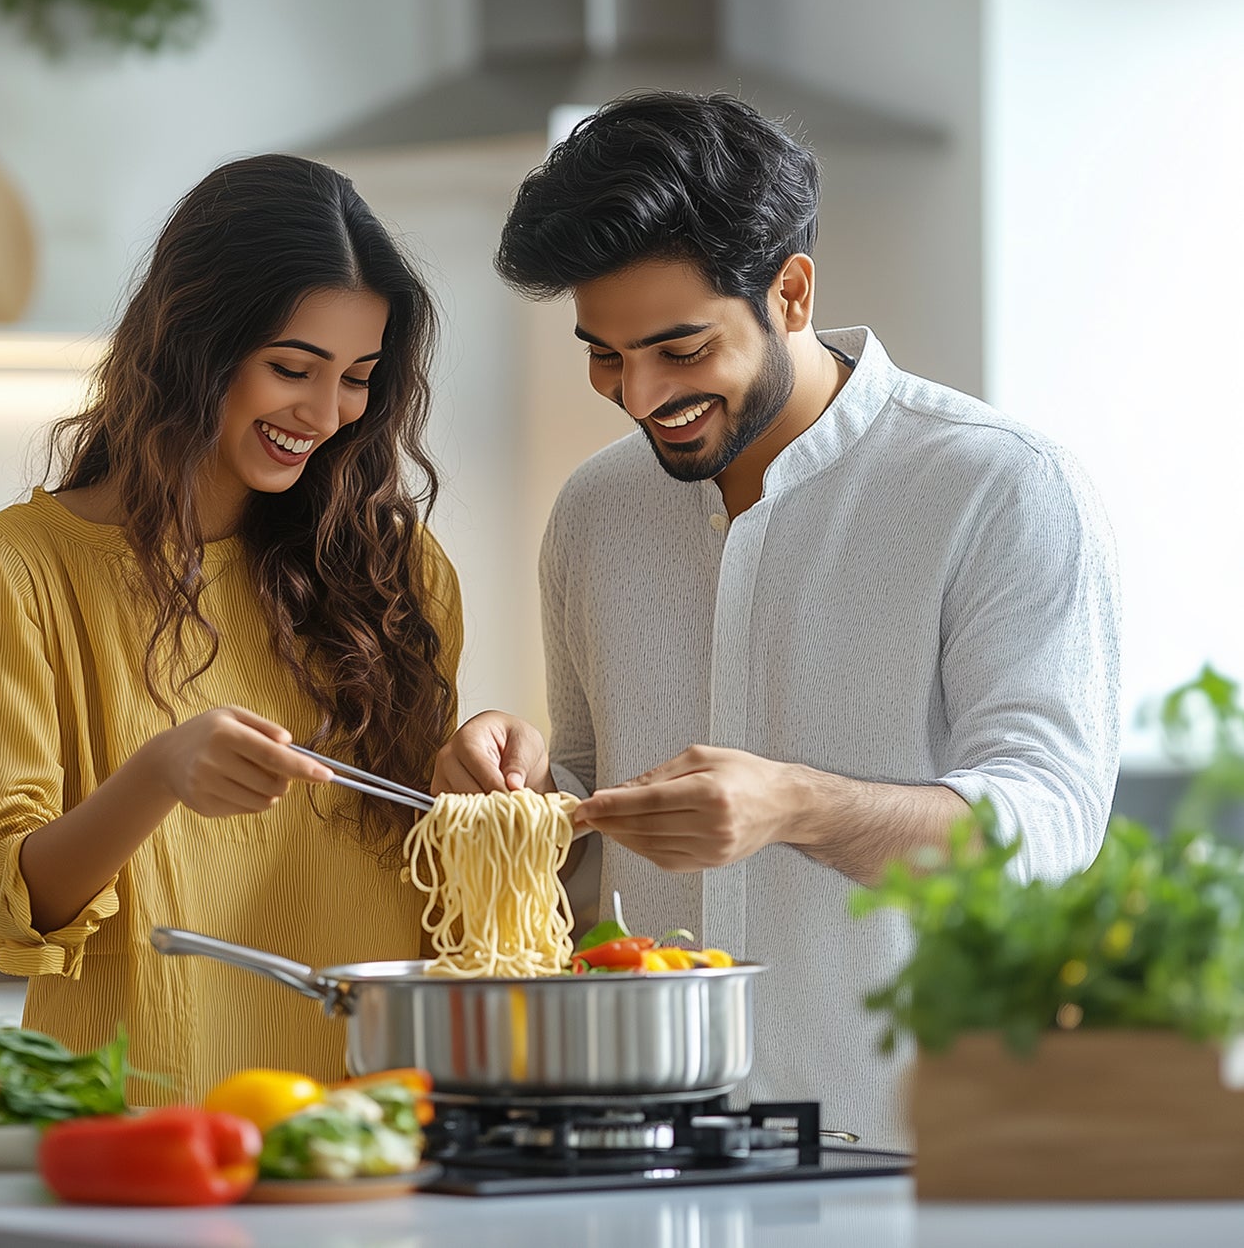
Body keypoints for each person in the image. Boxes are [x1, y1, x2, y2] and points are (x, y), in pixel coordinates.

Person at [435, 91, 1120, 1147]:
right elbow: (580, 821)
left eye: (679, 347)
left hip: (912, 1151)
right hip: (642, 1140)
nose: (638, 393)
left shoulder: (998, 486)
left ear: (789, 291)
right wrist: (521, 791)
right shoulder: (594, 510)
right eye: (604, 354)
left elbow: (1046, 822)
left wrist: (797, 805)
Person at [0, 155, 462, 1104]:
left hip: (376, 1114)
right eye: (292, 368)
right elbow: (13, 901)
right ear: (194, 345)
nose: (325, 413)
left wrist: (492, 773)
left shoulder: (397, 572)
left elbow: (438, 872)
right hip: (151, 1114)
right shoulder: (15, 571)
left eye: (357, 379)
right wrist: (158, 772)